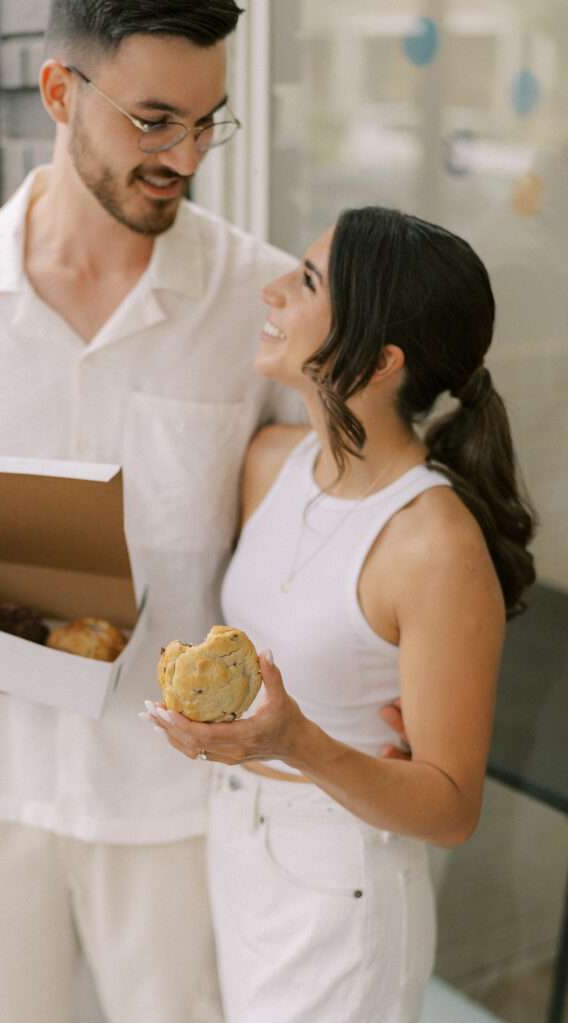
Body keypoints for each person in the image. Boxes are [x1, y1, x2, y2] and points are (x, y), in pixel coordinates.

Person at [0, 3, 308, 1021]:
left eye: (206, 122)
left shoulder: (261, 300)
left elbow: (314, 527)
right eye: (153, 121)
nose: (184, 156)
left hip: (171, 797)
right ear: (60, 92)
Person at [143, 207, 536, 1022]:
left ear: (383, 359)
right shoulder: (270, 464)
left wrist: (297, 741)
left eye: (310, 281)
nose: (274, 289)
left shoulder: (433, 543)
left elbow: (452, 806)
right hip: (240, 845)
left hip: (343, 885)